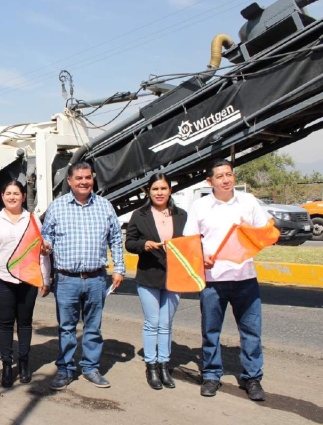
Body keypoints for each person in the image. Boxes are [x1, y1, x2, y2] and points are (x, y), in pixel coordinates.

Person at [183, 159, 269, 401]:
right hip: (212, 280)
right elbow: (190, 241)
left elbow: (263, 234)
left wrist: (249, 231)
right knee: (211, 331)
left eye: (229, 174)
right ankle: (211, 375)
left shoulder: (249, 202)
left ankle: (252, 378)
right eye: (220, 176)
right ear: (210, 181)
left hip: (246, 278)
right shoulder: (200, 206)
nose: (226, 179)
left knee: (251, 332)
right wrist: (202, 256)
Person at [41, 161, 125, 391]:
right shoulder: (57, 207)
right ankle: (65, 369)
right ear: (69, 181)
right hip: (66, 279)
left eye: (88, 177)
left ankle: (90, 368)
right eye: (79, 178)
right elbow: (45, 237)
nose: (84, 181)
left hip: (96, 278)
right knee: (67, 328)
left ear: (93, 179)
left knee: (93, 326)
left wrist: (119, 268)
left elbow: (116, 239)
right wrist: (45, 250)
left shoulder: (105, 206)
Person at [0, 181, 50, 387]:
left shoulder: (32, 220)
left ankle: (24, 363)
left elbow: (40, 252)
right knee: (5, 324)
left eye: (16, 193)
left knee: (24, 322)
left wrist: (45, 278)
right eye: (8, 193)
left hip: (28, 279)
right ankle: (7, 364)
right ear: (3, 196)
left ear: (24, 196)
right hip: (2, 278)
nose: (12, 197)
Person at [125, 174, 187, 390]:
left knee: (166, 323)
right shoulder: (139, 215)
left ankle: (164, 365)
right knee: (152, 322)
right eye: (155, 189)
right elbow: (130, 243)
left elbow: (190, 244)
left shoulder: (181, 215)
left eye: (163, 188)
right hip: (149, 276)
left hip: (175, 277)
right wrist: (144, 245)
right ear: (148, 192)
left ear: (170, 190)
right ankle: (151, 366)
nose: (159, 192)